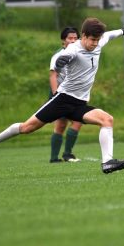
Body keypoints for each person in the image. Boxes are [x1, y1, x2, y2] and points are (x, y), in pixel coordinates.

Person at [0, 18, 124, 174]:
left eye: (97, 40)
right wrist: (60, 62)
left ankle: (107, 162)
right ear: (83, 36)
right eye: (92, 40)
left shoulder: (99, 41)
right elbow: (64, 57)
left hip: (80, 104)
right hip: (63, 100)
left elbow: (110, 35)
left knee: (107, 120)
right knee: (27, 128)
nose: (95, 43)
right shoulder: (73, 49)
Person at [49, 27, 82, 163]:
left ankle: (68, 154)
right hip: (61, 94)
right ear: (63, 41)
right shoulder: (58, 55)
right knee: (61, 125)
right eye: (70, 38)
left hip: (75, 95)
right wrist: (55, 93)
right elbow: (53, 75)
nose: (73, 40)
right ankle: (54, 158)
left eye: (75, 38)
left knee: (78, 121)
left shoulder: (79, 54)